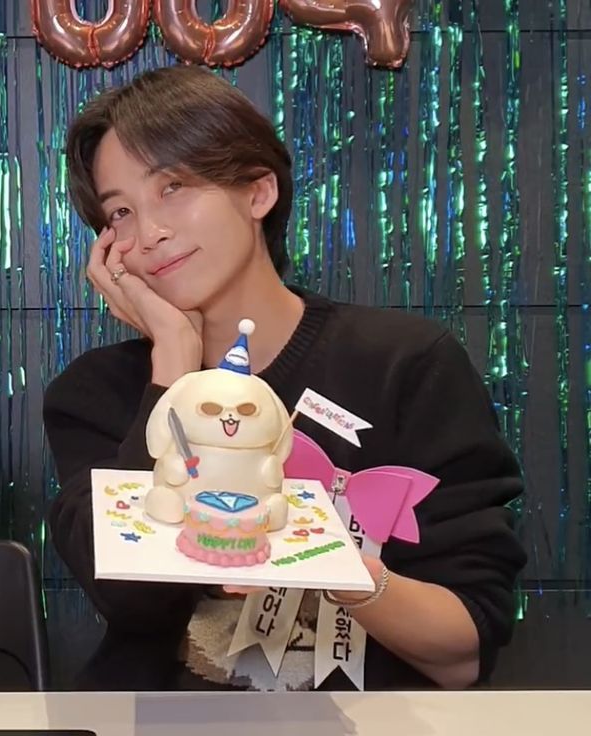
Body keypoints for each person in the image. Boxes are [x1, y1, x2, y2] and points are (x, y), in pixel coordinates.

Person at [43, 65, 527, 692]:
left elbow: (465, 650)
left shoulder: (405, 363)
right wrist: (175, 363)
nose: (151, 231)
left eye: (174, 187)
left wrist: (327, 559)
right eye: (121, 213)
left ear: (258, 192)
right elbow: (132, 598)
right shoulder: (93, 395)